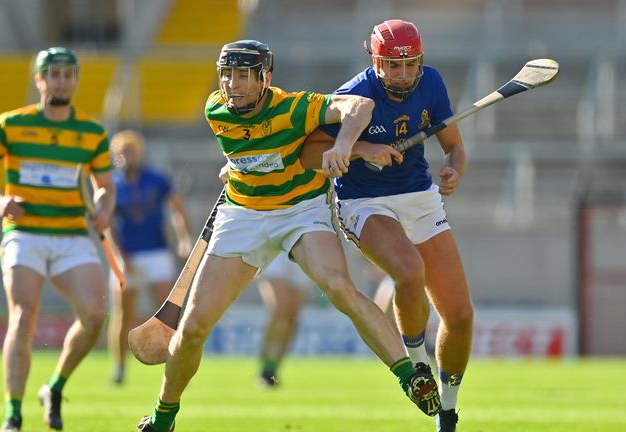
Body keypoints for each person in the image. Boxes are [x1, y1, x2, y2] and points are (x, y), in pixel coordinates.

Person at [135, 39, 441, 432]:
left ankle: (408, 374)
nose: (233, 84)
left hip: (300, 213)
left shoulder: (295, 107)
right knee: (192, 329)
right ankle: (163, 416)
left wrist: (347, 146)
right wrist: (235, 168)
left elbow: (359, 106)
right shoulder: (215, 109)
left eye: (244, 75)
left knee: (338, 286)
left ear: (265, 78)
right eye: (227, 74)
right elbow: (250, 150)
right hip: (243, 215)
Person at [301, 19, 472, 432]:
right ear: (375, 62)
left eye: (410, 65)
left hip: (418, 196)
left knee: (460, 315)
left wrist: (453, 170)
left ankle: (446, 412)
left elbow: (455, 147)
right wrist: (363, 150)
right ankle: (417, 368)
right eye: (392, 66)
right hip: (363, 201)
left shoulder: (431, 83)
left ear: (420, 62)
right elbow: (311, 153)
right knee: (409, 270)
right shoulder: (354, 94)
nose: (402, 74)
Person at [0, 47, 115, 432]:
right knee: (24, 315)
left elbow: (105, 187)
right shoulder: (9, 125)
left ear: (76, 81)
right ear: (39, 80)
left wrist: (103, 206)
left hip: (71, 234)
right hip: (25, 233)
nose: (62, 81)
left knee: (95, 316)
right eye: (54, 74)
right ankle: (13, 414)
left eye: (68, 74)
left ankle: (55, 386)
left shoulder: (92, 133)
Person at [107, 129, 193, 385]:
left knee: (166, 315)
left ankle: (170, 365)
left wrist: (184, 238)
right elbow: (108, 226)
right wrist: (119, 257)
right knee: (122, 315)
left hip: (157, 252)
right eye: (122, 152)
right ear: (115, 156)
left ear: (140, 152)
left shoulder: (157, 179)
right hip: (127, 257)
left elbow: (177, 209)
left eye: (131, 151)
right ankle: (119, 368)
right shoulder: (112, 184)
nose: (127, 157)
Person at [255, 252, 312, 388]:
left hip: (301, 242)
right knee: (280, 306)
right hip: (275, 244)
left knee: (292, 315)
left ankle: (273, 369)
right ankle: (265, 366)